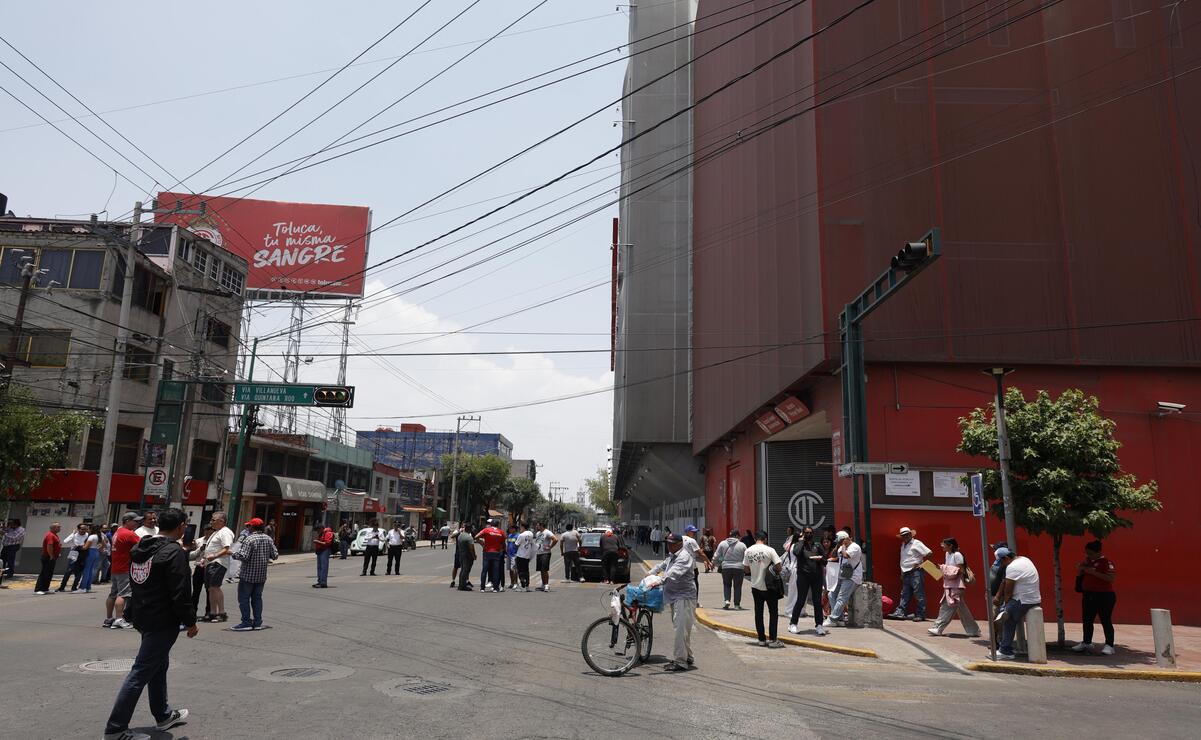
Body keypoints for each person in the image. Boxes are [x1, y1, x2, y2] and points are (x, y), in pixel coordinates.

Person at [102, 508, 194, 740]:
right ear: (181, 526)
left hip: (144, 616)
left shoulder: (142, 548)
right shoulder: (173, 552)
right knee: (141, 672)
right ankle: (115, 729)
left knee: (158, 665)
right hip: (162, 620)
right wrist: (190, 621)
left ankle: (163, 715)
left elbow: (137, 583)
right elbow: (180, 592)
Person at [649, 533, 697, 672]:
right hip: (675, 597)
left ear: (679, 544)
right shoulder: (673, 555)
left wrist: (657, 581)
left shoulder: (684, 557)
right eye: (668, 543)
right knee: (682, 629)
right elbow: (662, 565)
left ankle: (680, 662)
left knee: (680, 630)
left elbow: (673, 573)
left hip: (684, 597)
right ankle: (687, 656)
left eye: (671, 543)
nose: (669, 546)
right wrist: (650, 573)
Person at [230, 517, 278, 631]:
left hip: (248, 575)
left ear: (252, 527)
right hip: (261, 575)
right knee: (257, 599)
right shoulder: (268, 539)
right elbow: (275, 555)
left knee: (244, 599)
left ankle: (246, 622)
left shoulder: (249, 539)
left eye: (249, 526)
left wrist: (233, 553)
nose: (248, 528)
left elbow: (244, 556)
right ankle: (257, 622)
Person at [993, 549, 1041, 660]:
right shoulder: (1025, 559)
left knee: (1007, 619)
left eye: (1002, 562)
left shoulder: (1012, 567)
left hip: (1022, 600)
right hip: (1034, 598)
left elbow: (1008, 591)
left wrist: (1005, 604)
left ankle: (1005, 650)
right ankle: (1005, 647)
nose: (1002, 565)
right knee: (1008, 616)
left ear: (1006, 558)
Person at [927, 538, 980, 638]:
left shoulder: (957, 555)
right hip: (950, 584)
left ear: (950, 545)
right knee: (961, 608)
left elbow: (961, 570)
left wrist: (943, 567)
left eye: (943, 544)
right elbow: (949, 569)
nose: (941, 545)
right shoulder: (947, 554)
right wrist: (940, 568)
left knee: (947, 606)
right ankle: (974, 630)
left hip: (956, 585)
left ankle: (938, 628)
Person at [1073, 540, 1117, 655]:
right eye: (1086, 553)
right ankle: (1086, 642)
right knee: (1087, 620)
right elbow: (1083, 573)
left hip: (1104, 595)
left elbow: (1110, 578)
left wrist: (1093, 572)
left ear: (1098, 552)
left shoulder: (1106, 562)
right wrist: (1081, 570)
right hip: (1088, 594)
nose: (1088, 555)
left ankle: (1109, 645)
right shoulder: (1087, 562)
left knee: (1105, 620)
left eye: (1091, 553)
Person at [743, 530, 784, 647]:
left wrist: (756, 569)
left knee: (759, 613)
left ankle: (761, 639)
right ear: (765, 539)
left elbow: (746, 569)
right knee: (773, 613)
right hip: (769, 586)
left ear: (756, 539)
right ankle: (773, 640)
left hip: (755, 586)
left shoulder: (748, 550)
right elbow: (779, 567)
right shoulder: (770, 550)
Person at [103, 513, 142, 628]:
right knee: (123, 594)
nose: (137, 523)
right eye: (135, 521)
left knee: (113, 594)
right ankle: (119, 619)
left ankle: (109, 618)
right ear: (127, 521)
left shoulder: (118, 532)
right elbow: (143, 544)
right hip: (125, 568)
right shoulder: (128, 534)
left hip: (116, 567)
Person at [788, 527, 828, 636]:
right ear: (803, 534)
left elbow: (825, 560)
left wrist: (820, 559)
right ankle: (793, 623)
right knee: (800, 600)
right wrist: (802, 540)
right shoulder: (799, 545)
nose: (809, 534)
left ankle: (819, 625)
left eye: (810, 533)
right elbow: (796, 552)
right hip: (803, 576)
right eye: (806, 533)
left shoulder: (817, 545)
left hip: (816, 577)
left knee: (817, 601)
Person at [889, 526, 931, 622]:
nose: (906, 536)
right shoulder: (903, 545)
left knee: (918, 593)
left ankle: (920, 614)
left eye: (907, 534)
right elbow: (903, 560)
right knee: (905, 593)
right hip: (906, 572)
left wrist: (922, 564)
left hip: (916, 571)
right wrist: (902, 572)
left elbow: (929, 553)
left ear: (910, 534)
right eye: (903, 535)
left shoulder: (917, 543)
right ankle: (900, 612)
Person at [822, 531, 863, 628]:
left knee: (841, 598)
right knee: (831, 594)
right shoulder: (841, 546)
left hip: (852, 577)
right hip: (842, 575)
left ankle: (832, 619)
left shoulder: (855, 547)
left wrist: (844, 545)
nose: (839, 544)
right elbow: (836, 554)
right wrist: (837, 548)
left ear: (844, 540)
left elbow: (846, 555)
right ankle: (839, 619)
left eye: (840, 541)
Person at [198, 512, 233, 623]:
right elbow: (211, 548)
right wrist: (205, 559)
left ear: (221, 521)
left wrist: (214, 556)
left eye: (213, 520)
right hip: (210, 562)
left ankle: (222, 613)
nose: (211, 522)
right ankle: (213, 613)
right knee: (210, 588)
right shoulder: (217, 532)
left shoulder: (225, 532)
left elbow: (226, 548)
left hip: (218, 562)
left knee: (215, 586)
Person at [713, 528, 747, 610]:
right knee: (737, 586)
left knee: (727, 585)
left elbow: (717, 555)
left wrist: (715, 563)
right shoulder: (742, 545)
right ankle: (737, 605)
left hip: (726, 568)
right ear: (736, 536)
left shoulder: (722, 543)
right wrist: (746, 567)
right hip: (739, 568)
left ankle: (727, 600)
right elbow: (746, 557)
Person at [187, 524, 213, 623]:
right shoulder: (199, 541)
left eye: (209, 530)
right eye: (206, 530)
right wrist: (200, 549)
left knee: (209, 591)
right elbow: (191, 555)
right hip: (199, 567)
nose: (207, 532)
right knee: (196, 591)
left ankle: (209, 612)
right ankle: (193, 613)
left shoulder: (215, 541)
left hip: (209, 566)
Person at [474, 519, 505, 593]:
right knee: (496, 571)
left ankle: (482, 588)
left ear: (491, 524)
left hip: (487, 552)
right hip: (496, 553)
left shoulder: (486, 530)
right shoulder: (501, 532)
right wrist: (500, 549)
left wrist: (482, 543)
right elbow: (503, 543)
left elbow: (476, 537)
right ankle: (495, 588)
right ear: (498, 525)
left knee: (484, 570)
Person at [56, 522, 89, 593]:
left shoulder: (87, 535)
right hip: (74, 553)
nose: (84, 530)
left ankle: (74, 587)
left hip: (82, 554)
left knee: (79, 572)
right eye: (82, 529)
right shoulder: (74, 535)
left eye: (85, 529)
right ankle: (62, 587)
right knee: (68, 571)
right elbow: (65, 541)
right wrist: (72, 534)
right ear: (78, 529)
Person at [33, 521, 62, 595]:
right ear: (53, 528)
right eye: (58, 527)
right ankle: (38, 589)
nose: (60, 528)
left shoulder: (55, 535)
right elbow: (49, 546)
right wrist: (51, 555)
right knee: (44, 573)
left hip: (52, 557)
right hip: (48, 557)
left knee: (49, 573)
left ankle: (45, 588)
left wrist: (57, 553)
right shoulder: (50, 535)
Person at [533, 522, 559, 592]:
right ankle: (543, 584)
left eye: (537, 525)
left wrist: (550, 547)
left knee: (544, 569)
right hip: (539, 553)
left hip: (545, 553)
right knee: (541, 570)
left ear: (541, 525)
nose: (536, 526)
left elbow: (555, 539)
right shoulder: (538, 533)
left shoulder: (547, 532)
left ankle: (547, 585)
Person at [79, 523, 103, 593]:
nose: (88, 530)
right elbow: (102, 545)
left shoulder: (91, 536)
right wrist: (97, 548)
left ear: (92, 529)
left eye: (89, 528)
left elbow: (85, 547)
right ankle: (88, 587)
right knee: (91, 570)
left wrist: (79, 547)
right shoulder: (99, 536)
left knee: (86, 570)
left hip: (90, 552)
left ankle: (82, 587)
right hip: (96, 552)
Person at [2, 518, 26, 582]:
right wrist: (4, 528)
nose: (10, 525)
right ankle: (2, 570)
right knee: (2, 559)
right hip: (6, 545)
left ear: (16, 524)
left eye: (11, 524)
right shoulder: (11, 528)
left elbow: (14, 538)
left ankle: (10, 573)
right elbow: (6, 530)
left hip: (13, 546)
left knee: (10, 559)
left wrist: (4, 533)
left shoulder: (21, 530)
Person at [312, 522, 334, 588]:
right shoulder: (322, 533)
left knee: (324, 567)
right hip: (320, 551)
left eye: (318, 530)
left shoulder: (328, 533)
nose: (317, 532)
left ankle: (323, 582)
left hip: (325, 550)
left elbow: (327, 543)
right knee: (319, 567)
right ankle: (320, 581)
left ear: (321, 528)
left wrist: (317, 542)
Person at [513, 523, 534, 592]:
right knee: (526, 571)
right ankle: (527, 586)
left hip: (520, 555)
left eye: (521, 527)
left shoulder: (521, 535)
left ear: (523, 527)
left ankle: (522, 584)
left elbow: (516, 544)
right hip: (527, 555)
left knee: (520, 571)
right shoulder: (531, 534)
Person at [456, 524, 476, 591]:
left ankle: (461, 584)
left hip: (461, 555)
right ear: (469, 529)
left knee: (462, 570)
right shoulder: (469, 537)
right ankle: (463, 586)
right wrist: (474, 555)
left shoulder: (460, 536)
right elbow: (471, 548)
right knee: (466, 570)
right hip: (467, 556)